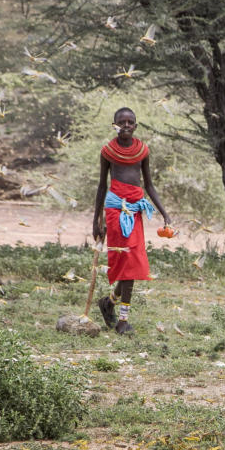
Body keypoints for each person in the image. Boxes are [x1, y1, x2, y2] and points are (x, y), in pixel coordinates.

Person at [92, 107, 171, 335]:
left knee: (133, 264)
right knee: (127, 265)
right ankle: (123, 321)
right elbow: (101, 186)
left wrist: (165, 213)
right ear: (114, 125)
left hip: (135, 210)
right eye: (121, 122)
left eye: (130, 122)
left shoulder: (143, 151)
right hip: (116, 210)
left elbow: (149, 185)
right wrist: (96, 219)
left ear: (136, 126)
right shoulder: (108, 151)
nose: (126, 125)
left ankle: (109, 303)